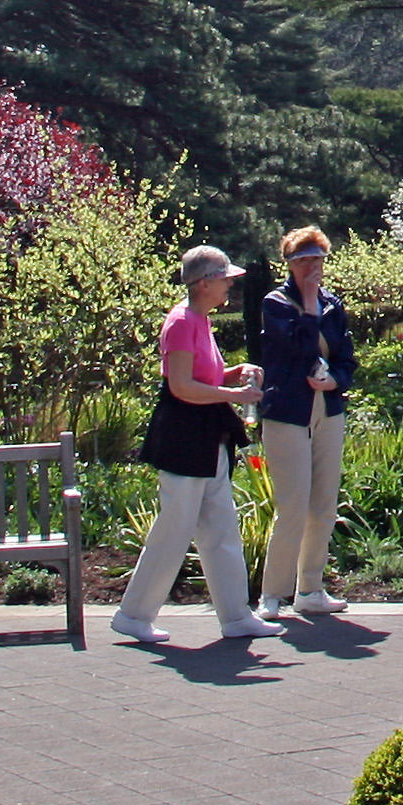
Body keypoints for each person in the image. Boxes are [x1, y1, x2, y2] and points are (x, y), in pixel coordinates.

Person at [110, 244, 275, 647]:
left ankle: (236, 615)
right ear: (203, 283)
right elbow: (181, 386)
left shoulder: (200, 320)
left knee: (220, 527)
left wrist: (235, 373)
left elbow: (205, 375)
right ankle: (132, 615)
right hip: (184, 436)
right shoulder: (181, 322)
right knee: (175, 528)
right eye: (224, 279)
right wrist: (234, 396)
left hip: (209, 435)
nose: (230, 287)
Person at [253, 226, 356, 619]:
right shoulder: (276, 303)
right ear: (290, 265)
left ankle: (310, 588)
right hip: (288, 413)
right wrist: (310, 302)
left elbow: (346, 357)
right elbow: (296, 347)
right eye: (303, 261)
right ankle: (272, 596)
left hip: (326, 409)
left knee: (324, 504)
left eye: (317, 259)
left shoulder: (334, 305)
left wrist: (336, 380)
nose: (311, 267)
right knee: (293, 506)